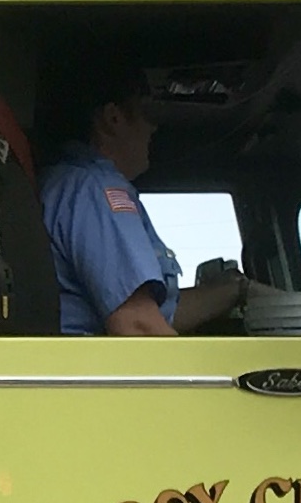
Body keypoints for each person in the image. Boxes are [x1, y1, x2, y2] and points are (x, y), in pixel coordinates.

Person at [40, 64, 247, 336]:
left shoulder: (70, 183)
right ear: (113, 118)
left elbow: (157, 314)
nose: (154, 125)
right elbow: (137, 324)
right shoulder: (95, 189)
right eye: (145, 111)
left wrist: (237, 290)